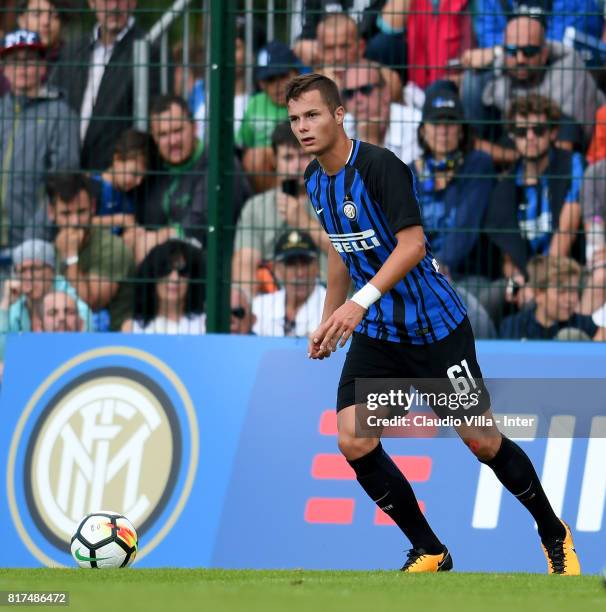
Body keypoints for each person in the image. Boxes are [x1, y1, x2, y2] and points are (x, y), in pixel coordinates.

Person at [285, 72, 580, 574]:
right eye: (294, 119)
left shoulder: (381, 167)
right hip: (380, 336)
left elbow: (414, 245)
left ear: (339, 114)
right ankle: (430, 550)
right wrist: (332, 317)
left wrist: (360, 302)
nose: (303, 127)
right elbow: (341, 250)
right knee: (353, 438)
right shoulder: (316, 180)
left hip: (436, 332)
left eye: (312, 115)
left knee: (482, 442)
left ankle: (555, 535)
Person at [486, 95, 584, 306]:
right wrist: (517, 280)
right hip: (526, 280)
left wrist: (537, 286)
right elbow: (508, 254)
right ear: (514, 137)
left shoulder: (571, 164)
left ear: (553, 132)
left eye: (538, 130)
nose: (530, 137)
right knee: (489, 298)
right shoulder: (505, 187)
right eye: (522, 131)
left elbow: (566, 232)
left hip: (567, 272)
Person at [132, 94, 251, 264]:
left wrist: (160, 236)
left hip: (212, 263)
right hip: (163, 263)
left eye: (178, 130)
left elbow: (201, 224)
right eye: (163, 135)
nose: (173, 141)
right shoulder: (152, 167)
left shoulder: (220, 162)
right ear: (155, 139)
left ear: (194, 127)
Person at [49, 0, 159, 171]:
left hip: (118, 178)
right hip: (67, 178)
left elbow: (153, 117)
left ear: (134, 3)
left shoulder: (150, 51)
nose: (114, 7)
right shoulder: (72, 51)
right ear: (92, 3)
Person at [0, 29, 79, 249]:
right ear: (4, 69)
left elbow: (63, 185)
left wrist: (34, 240)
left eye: (30, 60)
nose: (22, 67)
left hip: (33, 247)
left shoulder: (60, 114)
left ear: (43, 67)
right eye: (14, 61)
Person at [232, 121, 328, 297]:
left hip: (329, 301)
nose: (297, 166)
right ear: (274, 161)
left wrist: (304, 222)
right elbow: (244, 266)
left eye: (304, 156)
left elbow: (351, 255)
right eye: (288, 158)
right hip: (270, 306)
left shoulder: (336, 200)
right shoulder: (255, 207)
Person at [481, 11, 605, 145]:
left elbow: (565, 145)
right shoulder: (499, 72)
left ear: (544, 53)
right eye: (512, 51)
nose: (520, 59)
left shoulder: (570, 71)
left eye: (529, 51)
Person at [46, 172, 135, 331]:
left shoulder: (114, 248)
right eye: (66, 214)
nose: (75, 222)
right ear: (51, 212)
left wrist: (71, 257)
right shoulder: (50, 249)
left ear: (93, 207)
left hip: (111, 340)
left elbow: (89, 304)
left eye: (81, 212)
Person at [0, 239, 92, 359]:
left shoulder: (76, 308)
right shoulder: (15, 310)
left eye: (35, 269)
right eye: (22, 270)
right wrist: (5, 305)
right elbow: (2, 356)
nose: (29, 277)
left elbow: (85, 353)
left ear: (52, 271)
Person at [237, 41, 301, 193]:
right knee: (254, 158)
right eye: (270, 80)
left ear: (296, 73)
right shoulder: (255, 104)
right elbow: (243, 145)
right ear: (260, 83)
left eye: (282, 76)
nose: (277, 85)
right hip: (264, 174)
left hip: (298, 160)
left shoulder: (306, 99)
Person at [500, 255, 605, 340]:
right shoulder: (513, 326)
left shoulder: (587, 326)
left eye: (573, 290)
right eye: (561, 292)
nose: (570, 298)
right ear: (538, 294)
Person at [341, 61, 421, 165]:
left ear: (386, 92)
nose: (357, 99)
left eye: (365, 90)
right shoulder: (342, 125)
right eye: (349, 93)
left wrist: (371, 141)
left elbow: (403, 178)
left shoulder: (414, 124)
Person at [121, 239, 205, 335]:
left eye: (183, 272)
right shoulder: (132, 328)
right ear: (152, 275)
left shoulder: (204, 324)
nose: (174, 279)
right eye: (166, 270)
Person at [252, 230, 326, 337]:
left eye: (305, 263)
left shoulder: (334, 308)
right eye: (290, 264)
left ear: (317, 266)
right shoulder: (260, 306)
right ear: (276, 268)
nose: (300, 273)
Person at [90, 128, 149, 235]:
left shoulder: (129, 196)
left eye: (142, 177)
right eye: (134, 174)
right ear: (117, 159)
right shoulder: (94, 186)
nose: (139, 182)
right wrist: (119, 220)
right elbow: (80, 223)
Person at [17, 0, 73, 65]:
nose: (46, 22)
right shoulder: (6, 56)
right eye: (36, 14)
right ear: (21, 20)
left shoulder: (74, 57)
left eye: (55, 15)